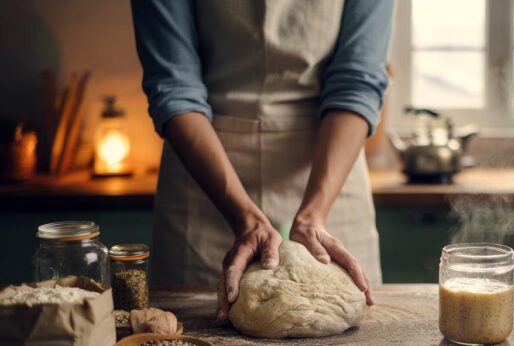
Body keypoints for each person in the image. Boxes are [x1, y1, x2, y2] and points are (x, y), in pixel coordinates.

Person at [131, 0, 393, 319]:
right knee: (195, 338)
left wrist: (315, 214)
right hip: (203, 178)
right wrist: (245, 219)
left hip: (329, 171)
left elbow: (357, 81)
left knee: (347, 345)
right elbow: (174, 85)